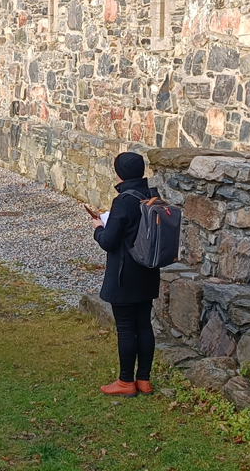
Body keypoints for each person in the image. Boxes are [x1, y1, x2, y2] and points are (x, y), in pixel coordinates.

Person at [91, 151, 161, 397]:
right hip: (148, 271)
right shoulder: (152, 195)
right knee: (144, 325)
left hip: (124, 275)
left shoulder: (123, 201)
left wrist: (99, 228)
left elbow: (109, 242)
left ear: (120, 172)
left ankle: (125, 381)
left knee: (125, 328)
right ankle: (144, 380)